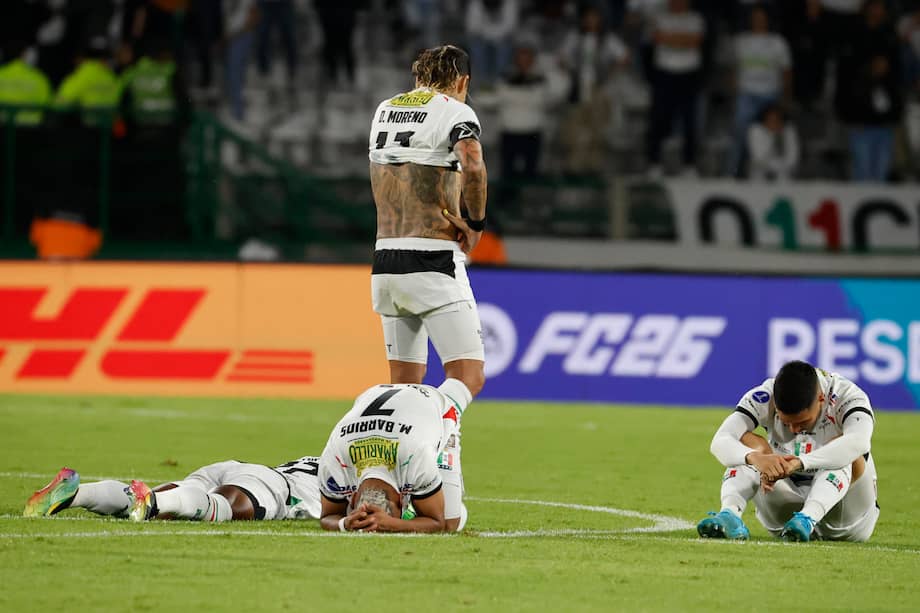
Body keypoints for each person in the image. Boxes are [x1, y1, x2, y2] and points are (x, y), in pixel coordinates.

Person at [368, 45, 487, 402]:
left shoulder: (385, 110)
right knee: (468, 375)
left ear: (418, 76)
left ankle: (398, 452)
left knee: (404, 385)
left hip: (386, 259)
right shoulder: (455, 111)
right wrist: (476, 222)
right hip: (432, 256)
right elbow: (473, 163)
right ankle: (440, 441)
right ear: (462, 80)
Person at [697, 360, 879, 543]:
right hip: (785, 512)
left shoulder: (848, 396)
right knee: (749, 445)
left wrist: (801, 463)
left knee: (844, 449)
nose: (793, 430)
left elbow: (859, 442)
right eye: (786, 422)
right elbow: (720, 440)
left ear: (821, 399)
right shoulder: (764, 396)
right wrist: (755, 458)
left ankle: (808, 517)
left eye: (802, 422)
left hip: (845, 518)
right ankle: (729, 515)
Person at [317, 380, 471, 533]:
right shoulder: (333, 462)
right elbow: (328, 515)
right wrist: (344, 523)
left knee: (450, 523)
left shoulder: (416, 460)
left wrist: (393, 524)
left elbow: (438, 522)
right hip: (375, 395)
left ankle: (457, 387)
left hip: (439, 411)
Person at [23, 456, 322, 522]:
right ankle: (152, 501)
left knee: (157, 502)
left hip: (239, 467)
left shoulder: (335, 453)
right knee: (229, 509)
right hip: (277, 485)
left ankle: (77, 494)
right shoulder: (354, 475)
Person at [725, 4, 792, 177]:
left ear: (767, 20)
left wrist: (784, 98)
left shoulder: (778, 42)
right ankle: (732, 174)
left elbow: (786, 72)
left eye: (762, 18)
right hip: (746, 95)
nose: (758, 21)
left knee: (770, 137)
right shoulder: (740, 41)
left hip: (770, 95)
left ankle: (772, 174)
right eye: (755, 18)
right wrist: (735, 94)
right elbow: (734, 69)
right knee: (739, 136)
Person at [645, 0, 706, 177]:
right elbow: (657, 38)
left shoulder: (696, 18)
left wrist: (670, 38)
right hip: (665, 73)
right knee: (659, 117)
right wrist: (681, 39)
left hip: (689, 73)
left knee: (689, 120)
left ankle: (689, 164)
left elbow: (694, 41)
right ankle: (654, 162)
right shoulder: (660, 17)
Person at [746, 104, 799, 181]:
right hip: (760, 172)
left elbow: (793, 158)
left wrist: (780, 167)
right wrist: (773, 136)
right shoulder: (755, 130)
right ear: (764, 120)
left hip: (784, 172)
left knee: (784, 177)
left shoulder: (788, 131)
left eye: (777, 120)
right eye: (771, 120)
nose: (774, 123)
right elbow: (759, 158)